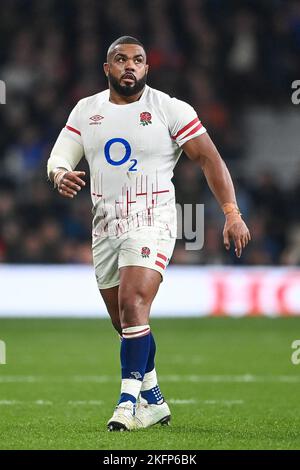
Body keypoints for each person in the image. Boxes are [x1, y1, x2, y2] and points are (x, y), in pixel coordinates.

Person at [47, 36, 251, 432]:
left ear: (146, 68)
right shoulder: (86, 110)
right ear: (107, 68)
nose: (130, 66)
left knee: (133, 299)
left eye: (138, 60)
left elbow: (210, 158)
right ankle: (154, 398)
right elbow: (60, 155)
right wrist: (59, 175)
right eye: (120, 60)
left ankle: (126, 403)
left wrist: (232, 212)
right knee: (124, 321)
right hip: (105, 224)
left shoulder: (169, 109)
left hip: (152, 219)